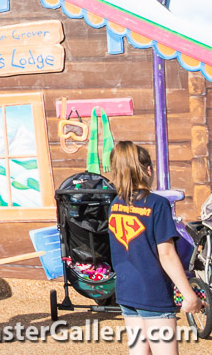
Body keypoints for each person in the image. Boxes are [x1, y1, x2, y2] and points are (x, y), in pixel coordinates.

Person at [108, 140, 202, 355]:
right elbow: (167, 255)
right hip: (152, 292)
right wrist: (189, 295)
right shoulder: (157, 204)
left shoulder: (116, 204)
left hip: (126, 290)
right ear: (148, 170)